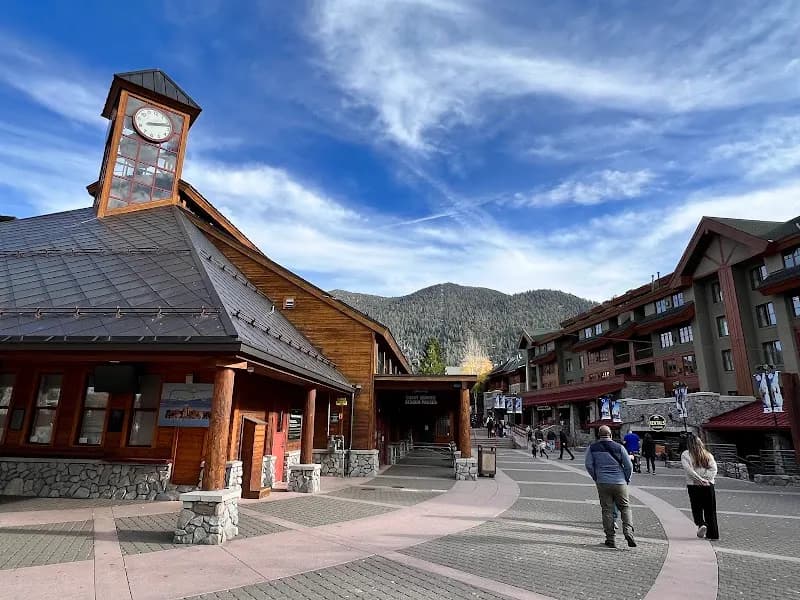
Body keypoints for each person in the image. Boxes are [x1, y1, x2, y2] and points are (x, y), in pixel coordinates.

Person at [585, 425, 636, 549]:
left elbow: (588, 465)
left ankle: (610, 539)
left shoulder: (592, 448)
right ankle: (628, 531)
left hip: (602, 482)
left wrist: (596, 477)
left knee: (607, 510)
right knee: (625, 507)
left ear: (598, 435)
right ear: (611, 435)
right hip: (620, 482)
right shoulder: (619, 447)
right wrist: (627, 478)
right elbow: (628, 465)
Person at [681, 434, 719, 540]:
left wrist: (699, 479)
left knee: (696, 507)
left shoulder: (686, 454)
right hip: (708, 485)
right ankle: (713, 534)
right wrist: (706, 480)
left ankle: (701, 523)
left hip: (693, 485)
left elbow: (688, 470)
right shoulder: (707, 454)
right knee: (710, 510)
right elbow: (714, 469)